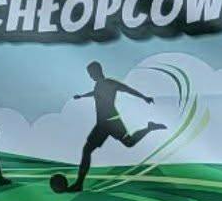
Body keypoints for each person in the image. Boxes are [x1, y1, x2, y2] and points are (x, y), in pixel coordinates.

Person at [69, 62, 165, 192]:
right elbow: (95, 93)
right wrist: (82, 96)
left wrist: (144, 97)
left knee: (129, 143)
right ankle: (79, 184)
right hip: (102, 124)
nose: (91, 76)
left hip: (112, 122)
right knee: (87, 150)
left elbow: (127, 89)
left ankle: (149, 128)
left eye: (91, 74)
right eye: (89, 74)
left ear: (98, 71)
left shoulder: (111, 83)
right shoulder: (98, 85)